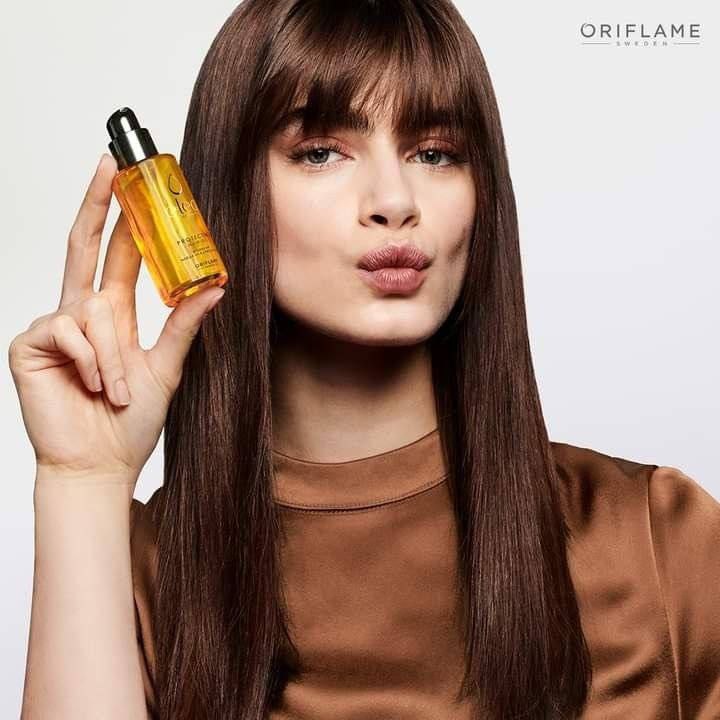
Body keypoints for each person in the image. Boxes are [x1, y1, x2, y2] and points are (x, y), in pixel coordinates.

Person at [10, 0, 720, 718]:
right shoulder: (138, 578)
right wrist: (82, 482)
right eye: (321, 152)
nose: (394, 200)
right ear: (224, 195)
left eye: (434, 153)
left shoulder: (654, 536)